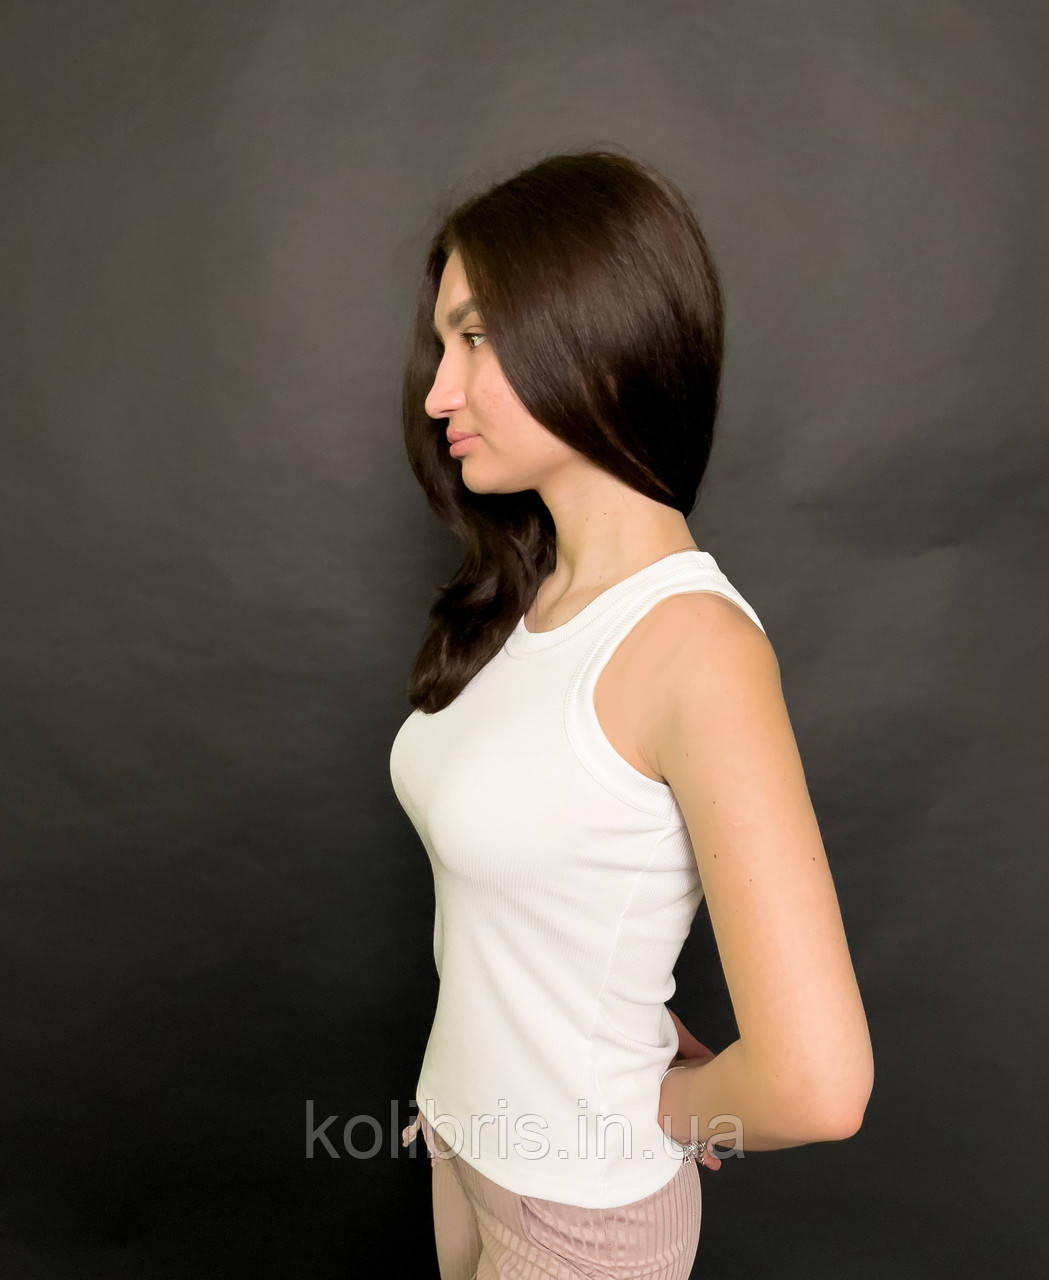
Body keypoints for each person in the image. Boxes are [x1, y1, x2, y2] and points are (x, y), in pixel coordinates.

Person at [390, 148, 874, 1279]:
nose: (438, 392)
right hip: (461, 1147)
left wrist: (660, 1103)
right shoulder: (530, 599)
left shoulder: (694, 647)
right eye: (442, 344)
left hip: (582, 1219)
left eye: (475, 337)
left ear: (596, 339)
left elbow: (816, 1081)